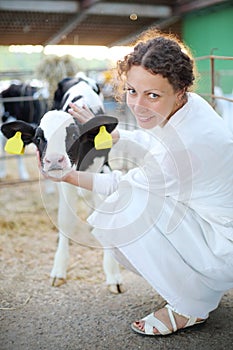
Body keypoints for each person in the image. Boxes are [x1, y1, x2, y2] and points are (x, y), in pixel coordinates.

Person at [40, 29, 233, 336]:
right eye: (131, 91)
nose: (138, 105)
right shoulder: (190, 106)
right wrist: (113, 134)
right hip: (216, 223)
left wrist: (67, 175)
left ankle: (190, 306)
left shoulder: (184, 149)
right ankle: (200, 287)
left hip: (225, 248)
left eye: (152, 95)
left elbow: (120, 185)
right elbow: (153, 140)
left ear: (180, 89)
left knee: (119, 212)